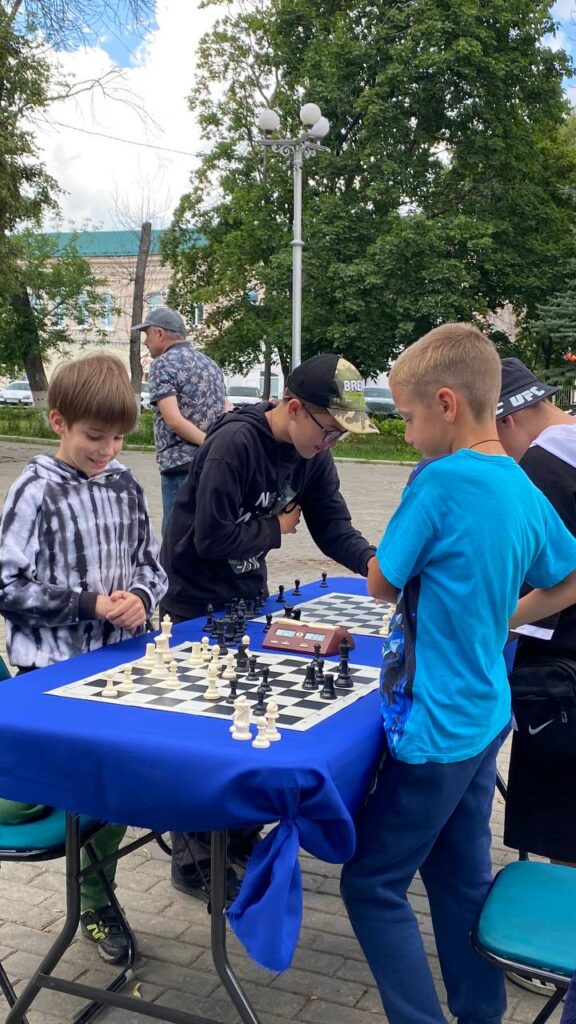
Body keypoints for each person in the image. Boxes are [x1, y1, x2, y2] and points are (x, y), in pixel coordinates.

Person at [339, 324, 576, 1024]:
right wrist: (507, 619)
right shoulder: (521, 482)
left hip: (434, 727)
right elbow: (569, 576)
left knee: (372, 884)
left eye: (408, 419)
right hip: (484, 716)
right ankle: (479, 1013)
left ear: (445, 403)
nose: (408, 435)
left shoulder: (439, 482)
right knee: (459, 875)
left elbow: (382, 583)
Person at [161, 352, 379, 898]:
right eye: (329, 430)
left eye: (340, 436)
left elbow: (332, 525)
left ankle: (235, 835)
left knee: (243, 716)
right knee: (201, 729)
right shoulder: (235, 443)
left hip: (246, 595)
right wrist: (275, 529)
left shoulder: (313, 456)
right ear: (294, 407)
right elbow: (209, 537)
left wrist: (377, 566)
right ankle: (192, 858)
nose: (330, 444)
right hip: (194, 597)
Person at [0, 353, 168, 964]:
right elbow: (6, 584)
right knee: (78, 788)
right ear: (58, 422)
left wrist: (141, 597)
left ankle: (96, 893)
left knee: (109, 788)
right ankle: (94, 901)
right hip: (50, 671)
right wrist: (91, 604)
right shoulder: (35, 489)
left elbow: (152, 566)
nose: (108, 450)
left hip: (115, 664)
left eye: (119, 438)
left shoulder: (125, 483)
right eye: (95, 436)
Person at [496, 361, 576, 858]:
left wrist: (485, 626)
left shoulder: (544, 466)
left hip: (563, 680)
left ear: (506, 419)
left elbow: (543, 592)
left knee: (564, 849)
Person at [134, 305, 227, 533]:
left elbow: (173, 420)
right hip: (212, 465)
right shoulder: (210, 364)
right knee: (205, 531)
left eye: (147, 334)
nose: (145, 342)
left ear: (160, 333)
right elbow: (227, 408)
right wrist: (215, 446)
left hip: (179, 465)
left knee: (176, 537)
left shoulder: (162, 364)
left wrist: (207, 443)